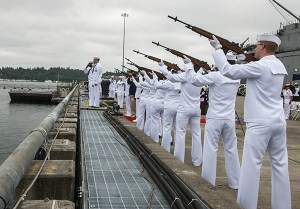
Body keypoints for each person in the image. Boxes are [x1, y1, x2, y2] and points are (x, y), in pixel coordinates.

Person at [209, 34, 291, 209]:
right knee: (280, 166)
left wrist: (218, 49)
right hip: (277, 121)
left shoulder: (260, 66)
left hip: (260, 123)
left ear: (262, 46)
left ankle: (247, 205)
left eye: (256, 46)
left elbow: (227, 71)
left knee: (251, 166)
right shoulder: (279, 65)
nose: (254, 49)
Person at [186, 53, 241, 189]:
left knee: (211, 149)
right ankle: (235, 182)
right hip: (229, 118)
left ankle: (208, 181)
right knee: (231, 149)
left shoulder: (216, 76)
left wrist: (188, 65)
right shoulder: (237, 77)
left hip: (215, 117)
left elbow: (194, 80)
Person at [159, 58, 202, 166]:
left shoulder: (185, 76)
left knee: (180, 133)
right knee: (196, 134)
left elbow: (170, 77)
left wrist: (162, 67)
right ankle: (197, 160)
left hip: (184, 109)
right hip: (196, 109)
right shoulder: (200, 77)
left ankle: (179, 159)